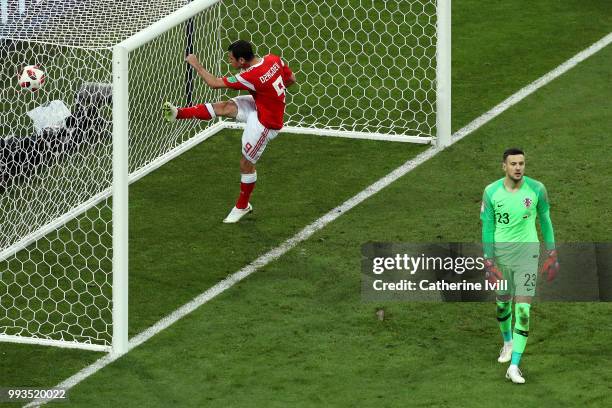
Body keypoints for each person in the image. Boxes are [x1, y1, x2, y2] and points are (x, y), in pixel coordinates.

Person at [162, 40, 296, 223]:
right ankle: (178, 114)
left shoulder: (250, 76)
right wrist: (271, 95)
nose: (229, 61)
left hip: (266, 122)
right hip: (261, 103)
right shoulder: (273, 59)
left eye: (231, 58)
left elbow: (214, 83)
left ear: (242, 60)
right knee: (225, 107)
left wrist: (196, 64)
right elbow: (290, 79)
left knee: (245, 164)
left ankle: (242, 206)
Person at [480, 148, 559, 384]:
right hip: (502, 257)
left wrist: (552, 251)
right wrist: (488, 259)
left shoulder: (537, 189)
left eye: (521, 163)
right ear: (504, 166)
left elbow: (545, 219)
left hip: (528, 255)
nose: (518, 168)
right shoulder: (491, 192)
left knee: (523, 311)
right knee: (503, 304)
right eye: (513, 164)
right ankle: (507, 342)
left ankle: (514, 366)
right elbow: (488, 227)